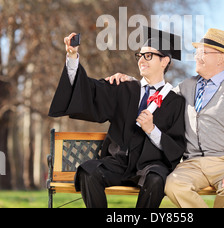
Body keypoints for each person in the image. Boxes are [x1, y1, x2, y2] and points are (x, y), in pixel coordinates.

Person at [107, 28, 224, 208]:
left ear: (219, 57)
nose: (196, 57)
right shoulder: (186, 85)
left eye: (203, 52)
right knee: (173, 185)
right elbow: (158, 92)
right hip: (192, 164)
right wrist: (132, 82)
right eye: (197, 52)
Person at [48, 28, 186, 208]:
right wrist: (73, 57)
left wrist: (152, 130)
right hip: (119, 162)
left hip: (151, 165)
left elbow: (176, 147)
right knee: (88, 172)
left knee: (156, 179)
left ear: (164, 61)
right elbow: (90, 90)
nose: (142, 60)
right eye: (140, 55)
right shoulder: (124, 88)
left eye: (148, 56)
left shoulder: (175, 101)